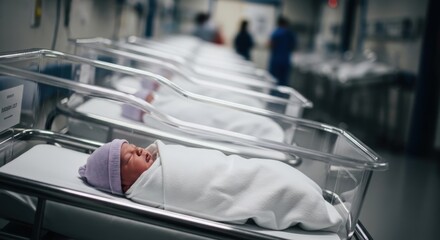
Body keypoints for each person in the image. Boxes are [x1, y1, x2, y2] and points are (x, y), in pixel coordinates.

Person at [78, 139, 343, 232]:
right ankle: (319, 210)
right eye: (129, 157)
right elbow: (213, 187)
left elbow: (216, 167)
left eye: (134, 146)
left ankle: (317, 202)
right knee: (268, 184)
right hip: (234, 184)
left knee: (254, 170)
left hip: (234, 169)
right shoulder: (150, 187)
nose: (138, 149)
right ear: (122, 183)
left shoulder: (159, 163)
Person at [268, 16, 297, 86]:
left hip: (275, 61)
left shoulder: (276, 33)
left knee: (273, 82)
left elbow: (271, 45)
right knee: (283, 84)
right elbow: (293, 47)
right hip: (285, 61)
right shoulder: (290, 34)